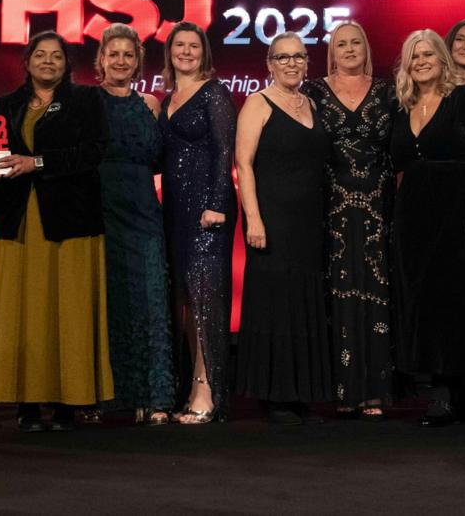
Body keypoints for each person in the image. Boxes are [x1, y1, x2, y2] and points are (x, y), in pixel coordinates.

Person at [0, 31, 112, 432]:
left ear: (67, 64)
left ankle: (68, 402)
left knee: (68, 312)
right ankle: (28, 404)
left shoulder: (87, 100)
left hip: (72, 222)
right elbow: (0, 155)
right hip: (20, 221)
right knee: (25, 312)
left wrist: (35, 162)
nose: (48, 62)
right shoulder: (4, 107)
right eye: (41, 55)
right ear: (27, 61)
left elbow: (94, 152)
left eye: (57, 56)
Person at [389, 29, 465, 427]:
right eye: (413, 56)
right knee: (424, 304)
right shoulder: (402, 105)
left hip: (459, 212)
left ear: (442, 59)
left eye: (428, 54)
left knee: (457, 301)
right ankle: (437, 393)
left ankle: (464, 395)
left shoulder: (464, 99)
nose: (420, 61)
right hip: (413, 218)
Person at [235, 32, 332, 424]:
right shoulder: (257, 103)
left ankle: (301, 390)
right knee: (275, 305)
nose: (292, 63)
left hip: (308, 222)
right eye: (283, 57)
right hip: (272, 221)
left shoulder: (312, 103)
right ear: (269, 64)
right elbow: (244, 164)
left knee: (302, 302)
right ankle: (275, 394)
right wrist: (254, 219)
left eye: (299, 57)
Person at [300, 21, 395, 420]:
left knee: (377, 289)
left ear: (366, 48)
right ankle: (343, 388)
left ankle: (374, 390)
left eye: (357, 42)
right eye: (342, 44)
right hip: (330, 205)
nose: (350, 49)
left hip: (378, 205)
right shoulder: (312, 91)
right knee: (337, 291)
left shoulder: (388, 91)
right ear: (331, 51)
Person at [95, 23, 175, 425]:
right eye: (114, 54)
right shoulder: (88, 101)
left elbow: (161, 159)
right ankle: (108, 397)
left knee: (150, 299)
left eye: (129, 55)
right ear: (101, 60)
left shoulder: (151, 104)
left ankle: (154, 396)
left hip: (144, 212)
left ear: (138, 61)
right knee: (108, 302)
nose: (121, 61)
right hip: (101, 212)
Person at [159, 21, 237, 423]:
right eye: (179, 45)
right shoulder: (168, 97)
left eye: (193, 46)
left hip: (209, 211)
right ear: (170, 52)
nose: (186, 51)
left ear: (204, 53)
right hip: (175, 212)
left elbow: (226, 150)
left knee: (208, 302)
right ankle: (190, 384)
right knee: (187, 302)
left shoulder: (215, 93)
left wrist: (218, 203)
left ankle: (209, 393)